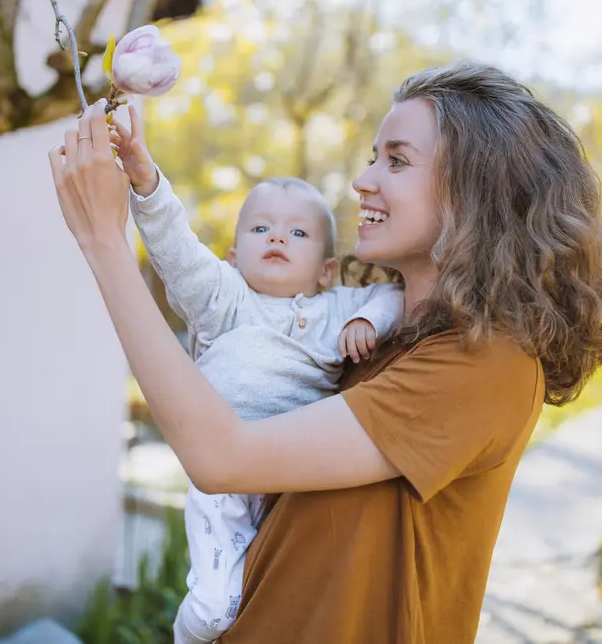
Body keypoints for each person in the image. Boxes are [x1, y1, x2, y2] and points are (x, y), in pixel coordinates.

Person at [49, 61, 602, 644]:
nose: (363, 181)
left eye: (396, 160)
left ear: (475, 195)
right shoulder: (369, 341)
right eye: (372, 157)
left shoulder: (488, 364)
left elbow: (220, 457)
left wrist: (103, 241)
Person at [108, 109, 404, 643]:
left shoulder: (336, 307)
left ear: (326, 269)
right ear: (232, 254)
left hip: (292, 483)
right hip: (223, 481)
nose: (278, 238)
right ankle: (191, 632)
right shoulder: (224, 300)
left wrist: (367, 319)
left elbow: (394, 295)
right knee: (215, 607)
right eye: (261, 228)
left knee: (274, 588)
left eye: (298, 232)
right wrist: (146, 183)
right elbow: (176, 248)